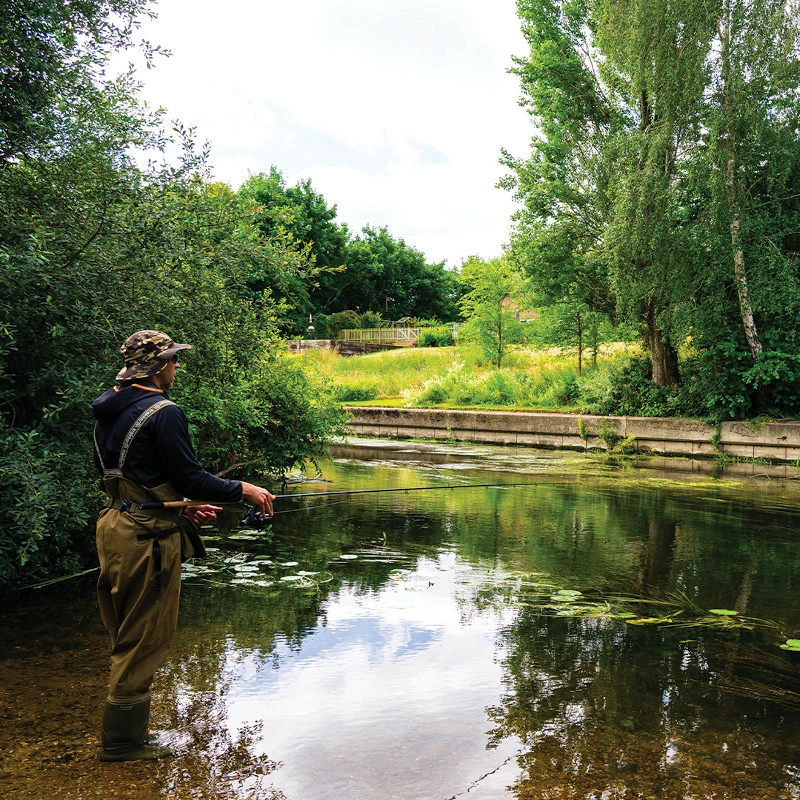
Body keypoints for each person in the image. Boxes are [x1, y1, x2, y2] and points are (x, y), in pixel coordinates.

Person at [91, 330, 274, 762]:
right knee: (144, 636)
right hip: (147, 539)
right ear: (157, 367)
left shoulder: (108, 410)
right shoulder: (164, 412)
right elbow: (192, 477)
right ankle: (123, 744)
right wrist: (244, 489)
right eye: (173, 359)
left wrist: (179, 508)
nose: (177, 365)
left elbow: (129, 474)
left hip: (115, 525)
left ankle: (125, 735)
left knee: (124, 630)